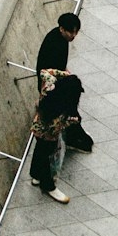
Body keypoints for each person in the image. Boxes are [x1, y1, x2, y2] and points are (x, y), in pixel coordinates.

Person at [37, 13, 93, 151]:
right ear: (62, 29)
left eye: (76, 32)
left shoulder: (59, 38)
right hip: (53, 85)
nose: (73, 36)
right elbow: (49, 70)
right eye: (71, 32)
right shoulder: (55, 43)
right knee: (67, 112)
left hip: (57, 82)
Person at [29, 70, 83, 203]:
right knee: (46, 156)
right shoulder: (59, 113)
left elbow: (44, 72)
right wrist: (72, 120)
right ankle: (47, 185)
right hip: (48, 135)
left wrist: (65, 75)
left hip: (38, 127)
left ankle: (35, 174)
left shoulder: (50, 86)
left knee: (40, 151)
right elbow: (60, 126)